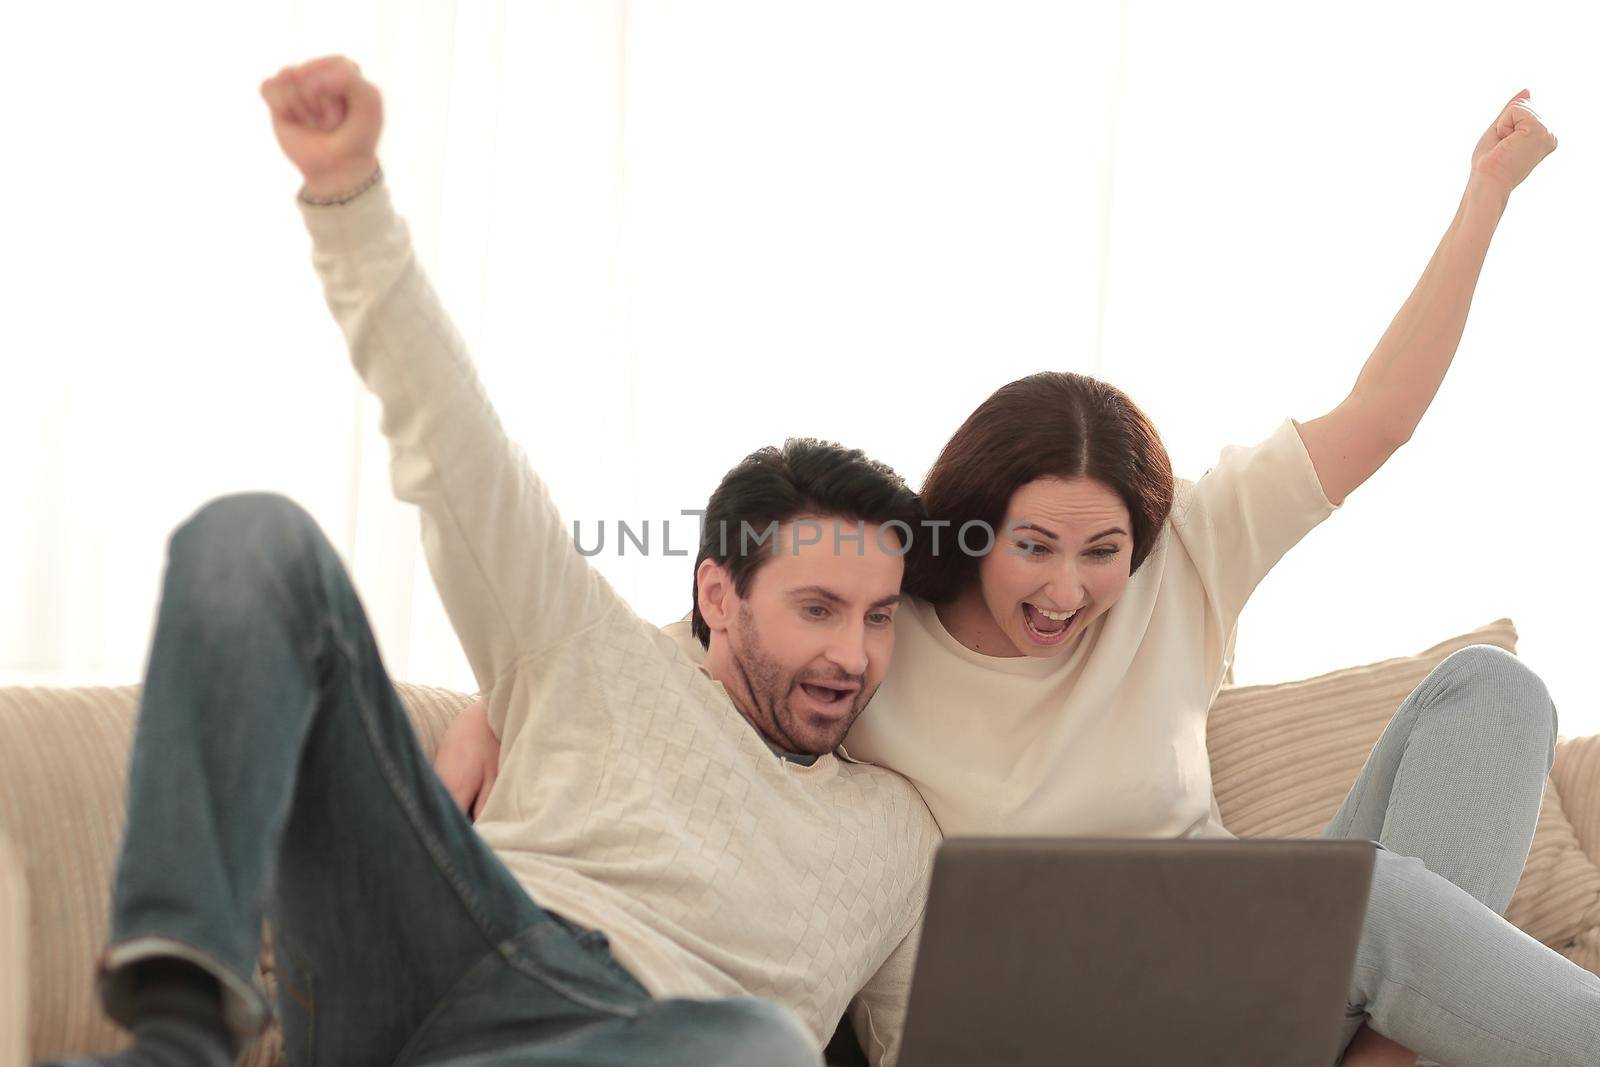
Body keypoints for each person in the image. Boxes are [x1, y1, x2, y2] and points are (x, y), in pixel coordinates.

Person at [443, 91, 1600, 1066]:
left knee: (1492, 693)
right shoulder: (880, 634)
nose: (1067, 588)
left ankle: (1383, 1051)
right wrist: (489, 715)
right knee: (1385, 906)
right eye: (1032, 546)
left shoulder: (1187, 551)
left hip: (1250, 940)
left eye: (1103, 553)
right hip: (1088, 997)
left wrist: (1486, 191)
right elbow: (671, 663)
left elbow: (1380, 416)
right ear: (973, 522)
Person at [40, 55, 940, 1067]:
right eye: (817, 606)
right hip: (429, 938)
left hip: (638, 1038)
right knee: (250, 539)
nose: (853, 653)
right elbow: (454, 446)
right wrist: (348, 199)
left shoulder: (899, 834)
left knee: (760, 1042)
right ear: (718, 594)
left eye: (876, 616)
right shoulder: (590, 649)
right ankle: (176, 1028)